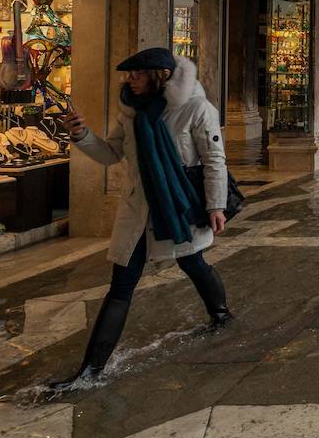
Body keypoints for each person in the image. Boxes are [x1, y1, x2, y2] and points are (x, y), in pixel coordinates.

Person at [50, 48, 230, 392]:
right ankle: (91, 368)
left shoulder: (196, 108)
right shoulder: (130, 112)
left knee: (194, 263)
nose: (129, 80)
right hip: (137, 211)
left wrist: (216, 206)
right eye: (128, 75)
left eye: (137, 74)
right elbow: (111, 154)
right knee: (121, 284)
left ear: (158, 76)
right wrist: (81, 135)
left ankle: (220, 314)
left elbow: (214, 160)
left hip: (177, 207)